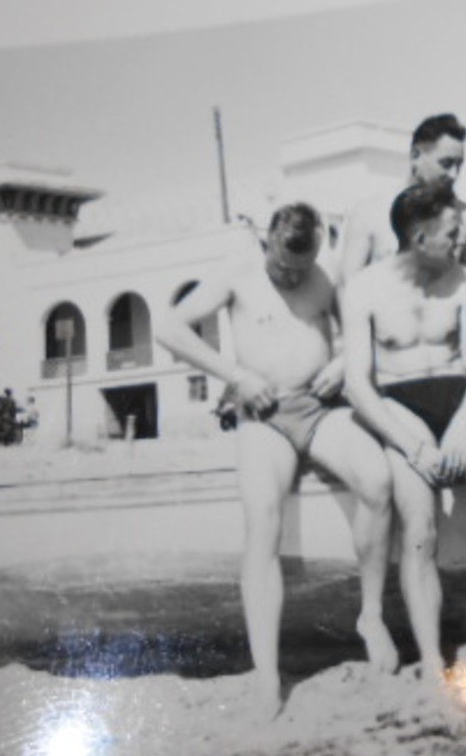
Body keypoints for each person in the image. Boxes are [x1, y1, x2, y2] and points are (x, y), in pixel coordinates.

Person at [157, 202, 400, 721]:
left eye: (301, 268)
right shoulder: (238, 268)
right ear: (266, 241)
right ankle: (267, 675)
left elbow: (368, 326)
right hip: (262, 414)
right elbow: (170, 328)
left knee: (378, 482)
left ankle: (371, 616)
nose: (292, 277)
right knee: (263, 519)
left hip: (319, 407)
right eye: (283, 267)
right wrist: (233, 374)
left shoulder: (328, 272)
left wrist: (342, 361)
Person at [341, 182, 466, 680]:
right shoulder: (365, 290)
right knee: (419, 527)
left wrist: (459, 430)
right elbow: (358, 385)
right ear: (419, 237)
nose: (461, 243)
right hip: (401, 407)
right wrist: (414, 446)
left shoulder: (464, 282)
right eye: (452, 234)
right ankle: (434, 661)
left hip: (462, 400)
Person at [340, 113, 466, 281]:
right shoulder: (369, 213)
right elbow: (347, 287)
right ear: (415, 155)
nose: (454, 175)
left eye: (459, 165)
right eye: (446, 164)